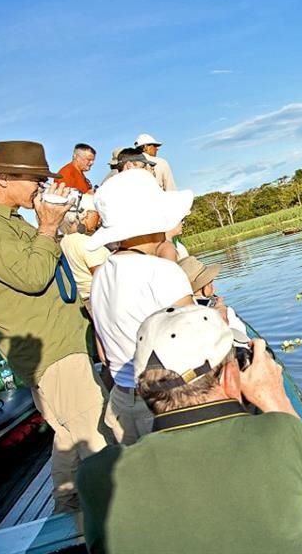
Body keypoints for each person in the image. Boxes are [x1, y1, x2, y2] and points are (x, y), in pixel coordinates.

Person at [77, 305, 302, 554]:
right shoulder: (285, 434)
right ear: (230, 375)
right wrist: (276, 401)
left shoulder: (98, 476)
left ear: (141, 390)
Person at [0, 140, 110, 512]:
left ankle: (68, 515)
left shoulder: (7, 221)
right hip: (52, 351)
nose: (40, 185)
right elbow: (32, 276)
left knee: (67, 436)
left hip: (56, 346)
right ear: (2, 177)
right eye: (33, 178)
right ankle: (119, 523)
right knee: (97, 442)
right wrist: (48, 226)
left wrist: (43, 223)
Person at [88, 169, 195, 445]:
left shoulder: (101, 274)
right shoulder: (161, 271)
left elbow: (103, 348)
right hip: (162, 399)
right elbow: (198, 342)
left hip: (122, 399)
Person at [177, 255, 246, 338]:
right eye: (210, 281)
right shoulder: (225, 313)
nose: (212, 284)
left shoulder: (178, 310)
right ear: (204, 286)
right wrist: (221, 308)